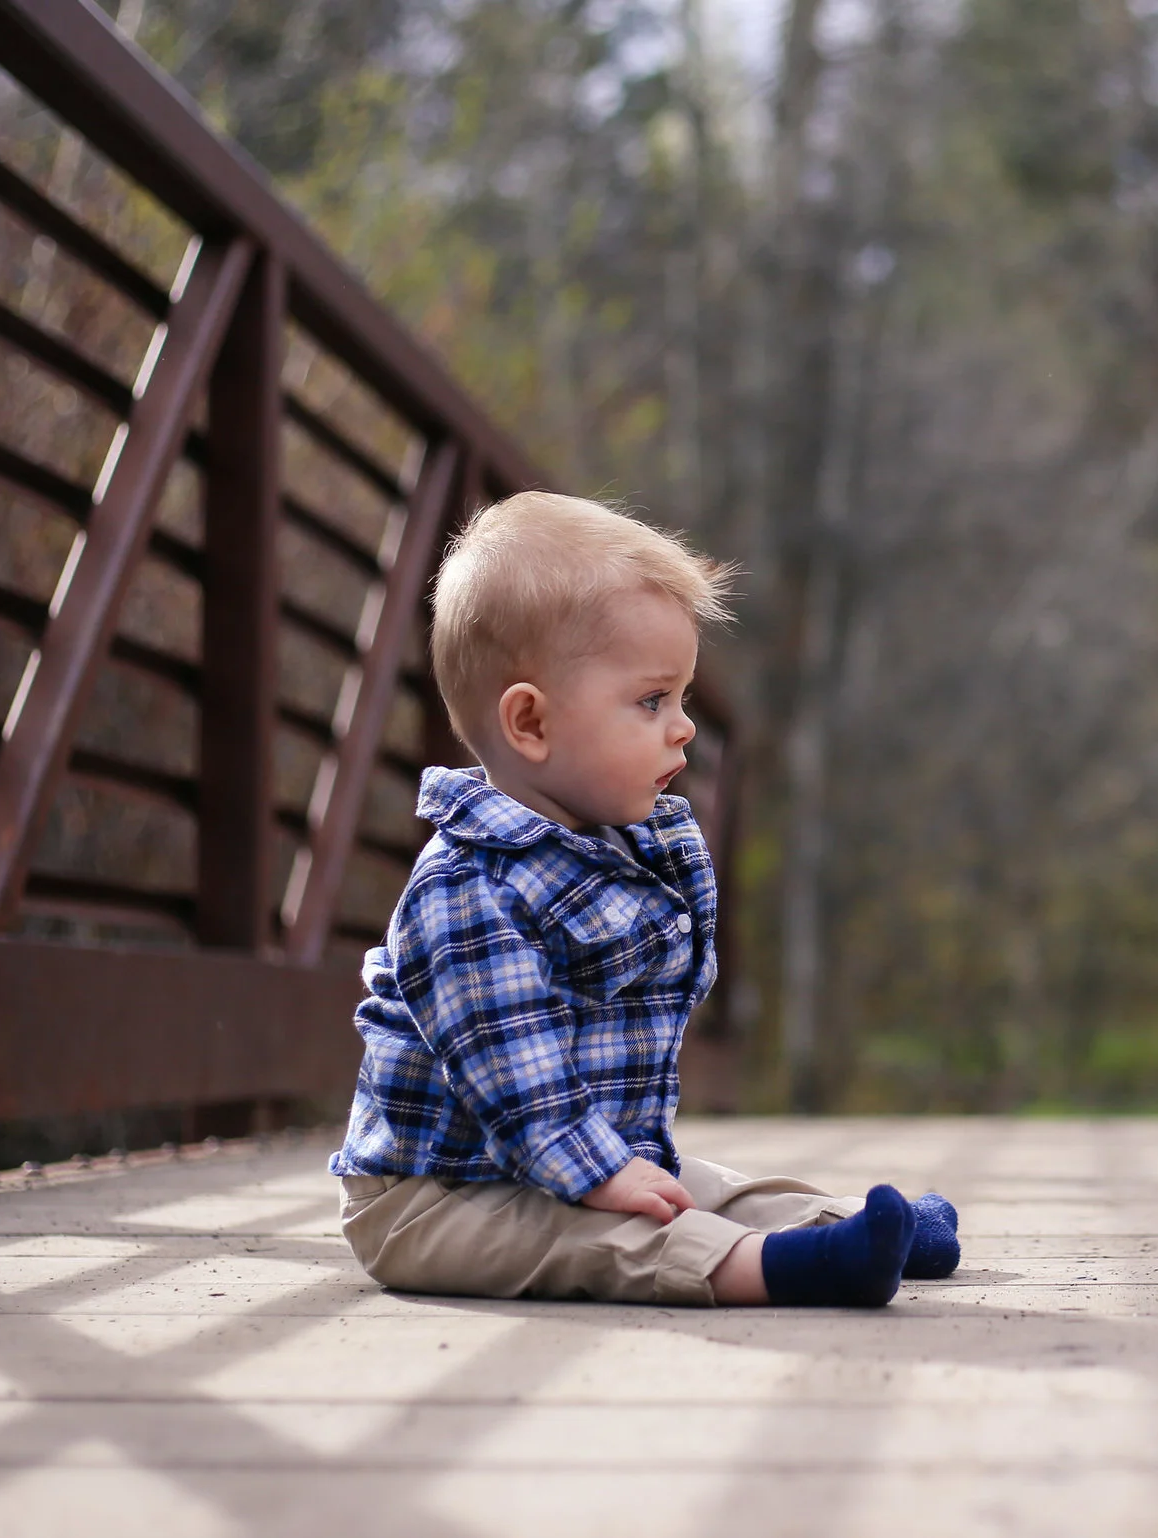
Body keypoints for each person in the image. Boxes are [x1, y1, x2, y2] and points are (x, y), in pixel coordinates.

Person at [330, 491, 957, 1306]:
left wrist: (615, 1165)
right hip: (436, 1198)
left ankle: (848, 1226)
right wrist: (598, 1171)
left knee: (707, 1186)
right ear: (530, 723)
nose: (684, 727)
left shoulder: (612, 847)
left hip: (569, 1157)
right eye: (653, 700)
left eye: (685, 698)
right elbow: (516, 1082)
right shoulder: (467, 887)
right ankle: (779, 1270)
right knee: (614, 1235)